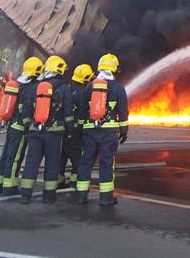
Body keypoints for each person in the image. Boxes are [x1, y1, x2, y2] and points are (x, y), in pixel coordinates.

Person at [19, 55, 73, 204]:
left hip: (35, 132)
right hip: (54, 134)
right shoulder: (64, 88)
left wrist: (29, 126)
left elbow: (26, 110)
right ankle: (48, 196)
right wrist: (69, 131)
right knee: (52, 163)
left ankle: (25, 194)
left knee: (31, 162)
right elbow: (68, 113)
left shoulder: (35, 86)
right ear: (59, 70)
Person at [76, 53, 128, 207]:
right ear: (114, 69)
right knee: (107, 163)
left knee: (86, 162)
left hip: (90, 131)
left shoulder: (89, 87)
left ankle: (81, 196)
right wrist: (124, 130)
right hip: (108, 133)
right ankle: (106, 198)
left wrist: (80, 127)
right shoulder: (118, 88)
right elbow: (123, 111)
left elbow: (82, 110)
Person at [0, 56, 44, 196]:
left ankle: (0, 184)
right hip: (22, 127)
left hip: (12, 125)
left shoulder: (17, 84)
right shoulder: (33, 87)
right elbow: (31, 107)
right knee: (15, 157)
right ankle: (9, 187)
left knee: (5, 156)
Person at [58, 63, 94, 190]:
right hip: (75, 130)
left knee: (62, 156)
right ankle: (75, 180)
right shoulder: (82, 93)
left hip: (61, 129)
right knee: (77, 156)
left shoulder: (66, 88)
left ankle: (59, 180)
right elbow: (84, 112)